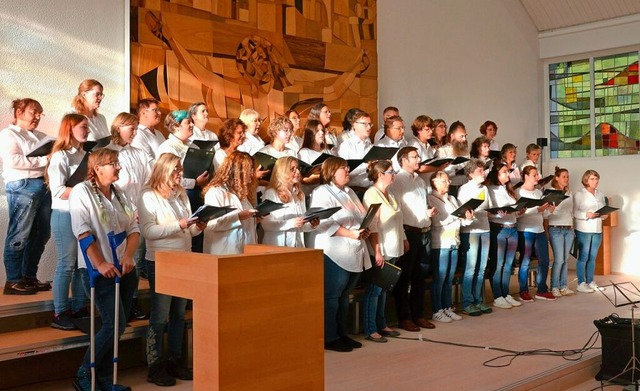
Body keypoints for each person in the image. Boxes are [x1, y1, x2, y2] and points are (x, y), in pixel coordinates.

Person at [69, 148, 138, 391]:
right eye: (113, 163)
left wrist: (129, 256)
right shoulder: (82, 192)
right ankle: (84, 373)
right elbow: (83, 231)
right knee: (114, 324)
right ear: (97, 168)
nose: (118, 167)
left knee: (118, 324)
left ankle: (105, 380)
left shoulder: (120, 194)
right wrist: (100, 263)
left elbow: (133, 230)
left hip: (125, 269)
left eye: (118, 162)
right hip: (100, 269)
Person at [138, 153, 204, 386]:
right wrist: (180, 225)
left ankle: (175, 360)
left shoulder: (181, 194)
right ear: (164, 170)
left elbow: (187, 231)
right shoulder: (148, 195)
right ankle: (155, 366)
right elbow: (148, 232)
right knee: (160, 313)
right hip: (161, 260)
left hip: (184, 258)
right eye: (176, 169)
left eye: (181, 170)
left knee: (178, 312)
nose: (180, 174)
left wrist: (197, 227)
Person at [308, 157, 370, 352]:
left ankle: (343, 333)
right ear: (332, 171)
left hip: (353, 247)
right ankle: (330, 336)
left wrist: (363, 230)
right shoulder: (321, 192)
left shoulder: (349, 191)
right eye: (344, 168)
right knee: (332, 296)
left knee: (345, 295)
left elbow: (360, 216)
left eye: (348, 167)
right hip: (334, 250)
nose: (348, 170)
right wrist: (352, 233)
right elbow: (323, 222)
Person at [1, 98, 52, 295]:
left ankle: (29, 276)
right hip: (22, 186)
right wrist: (44, 160)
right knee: (19, 234)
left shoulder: (40, 136)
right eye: (34, 112)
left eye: (40, 113)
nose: (38, 117)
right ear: (19, 112)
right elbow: (13, 160)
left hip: (43, 185)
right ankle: (13, 280)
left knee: (41, 233)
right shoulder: (8, 134)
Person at [47, 114, 90, 329]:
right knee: (67, 264)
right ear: (69, 129)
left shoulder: (86, 155)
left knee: (83, 263)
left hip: (82, 215)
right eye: (83, 127)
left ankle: (80, 307)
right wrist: (86, 191)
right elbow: (58, 191)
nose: (88, 130)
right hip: (64, 214)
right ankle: (60, 311)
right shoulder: (60, 157)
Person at [389, 146, 436, 331]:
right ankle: (404, 317)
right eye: (414, 157)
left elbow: (420, 205)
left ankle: (418, 314)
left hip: (423, 230)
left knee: (420, 276)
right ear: (403, 160)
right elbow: (397, 210)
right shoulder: (398, 180)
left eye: (418, 156)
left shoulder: (419, 180)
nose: (418, 160)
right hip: (408, 231)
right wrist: (401, 235)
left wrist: (428, 212)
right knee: (405, 276)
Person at [362, 160, 406, 342]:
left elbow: (398, 218)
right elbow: (372, 226)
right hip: (382, 249)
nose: (394, 174)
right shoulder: (371, 194)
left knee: (384, 290)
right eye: (391, 171)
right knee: (374, 290)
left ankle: (382, 324)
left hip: (394, 246)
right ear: (380, 175)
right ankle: (370, 328)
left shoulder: (390, 193)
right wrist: (377, 250)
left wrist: (404, 238)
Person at [158, 110, 210, 253]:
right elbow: (167, 176)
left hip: (197, 192)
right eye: (188, 122)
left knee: (199, 234)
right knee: (189, 236)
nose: (192, 125)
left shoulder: (191, 145)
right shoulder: (168, 147)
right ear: (176, 126)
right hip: (181, 194)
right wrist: (195, 182)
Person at [428, 171, 473, 323]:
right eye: (444, 181)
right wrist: (456, 216)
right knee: (439, 278)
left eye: (448, 180)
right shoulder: (431, 198)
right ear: (434, 182)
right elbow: (436, 221)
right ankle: (437, 309)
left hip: (454, 240)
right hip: (440, 243)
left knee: (449, 278)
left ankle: (447, 307)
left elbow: (460, 221)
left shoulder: (452, 198)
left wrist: (467, 218)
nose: (448, 183)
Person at [202, 151, 258, 255]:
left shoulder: (242, 193)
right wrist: (238, 217)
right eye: (249, 170)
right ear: (237, 171)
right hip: (224, 252)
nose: (252, 173)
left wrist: (254, 218)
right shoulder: (216, 192)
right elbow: (210, 224)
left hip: (245, 251)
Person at [457, 159, 494, 316]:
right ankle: (467, 302)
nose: (483, 173)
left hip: (485, 229)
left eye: (484, 170)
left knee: (481, 268)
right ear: (470, 174)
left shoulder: (485, 189)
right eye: (479, 171)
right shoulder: (464, 189)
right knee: (471, 268)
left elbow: (489, 208)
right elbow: (461, 211)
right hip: (471, 231)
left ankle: (478, 300)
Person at [516, 166, 556, 302]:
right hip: (526, 230)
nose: (537, 178)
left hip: (539, 230)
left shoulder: (539, 193)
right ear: (526, 176)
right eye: (534, 175)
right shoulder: (519, 192)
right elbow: (518, 215)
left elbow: (543, 213)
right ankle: (523, 291)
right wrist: (536, 209)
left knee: (544, 260)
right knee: (525, 261)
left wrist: (549, 210)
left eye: (537, 175)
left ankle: (541, 289)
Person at [485, 162, 522, 309]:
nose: (508, 174)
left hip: (512, 228)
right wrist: (499, 214)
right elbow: (488, 212)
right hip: (498, 229)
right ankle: (497, 295)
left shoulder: (509, 189)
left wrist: (520, 211)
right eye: (504, 172)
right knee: (498, 263)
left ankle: (506, 293)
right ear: (497, 174)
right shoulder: (490, 190)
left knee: (508, 264)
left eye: (508, 172)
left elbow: (515, 210)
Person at [261, 157, 319, 247]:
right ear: (282, 172)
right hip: (277, 247)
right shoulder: (271, 193)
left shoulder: (300, 194)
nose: (298, 172)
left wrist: (312, 225)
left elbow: (301, 226)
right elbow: (266, 225)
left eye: (298, 169)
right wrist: (291, 223)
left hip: (297, 246)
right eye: (292, 169)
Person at [573, 169, 608, 293]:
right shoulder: (579, 194)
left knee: (592, 257)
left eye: (597, 178)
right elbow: (574, 212)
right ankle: (581, 283)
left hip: (597, 229)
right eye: (592, 179)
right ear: (586, 180)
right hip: (584, 229)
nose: (596, 181)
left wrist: (605, 215)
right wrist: (586, 214)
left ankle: (590, 281)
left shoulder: (600, 194)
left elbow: (603, 209)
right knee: (583, 256)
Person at [547, 166, 575, 297]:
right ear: (557, 178)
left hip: (568, 228)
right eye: (564, 176)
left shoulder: (569, 192)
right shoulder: (550, 192)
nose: (566, 179)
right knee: (558, 259)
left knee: (565, 258)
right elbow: (547, 213)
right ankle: (554, 286)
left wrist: (572, 226)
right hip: (556, 228)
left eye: (567, 177)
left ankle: (564, 286)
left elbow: (571, 211)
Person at [336, 110, 374, 190]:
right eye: (365, 124)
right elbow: (342, 172)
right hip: (354, 189)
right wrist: (366, 167)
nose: (369, 127)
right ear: (354, 125)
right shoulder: (346, 146)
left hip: (371, 187)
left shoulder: (370, 145)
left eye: (370, 124)